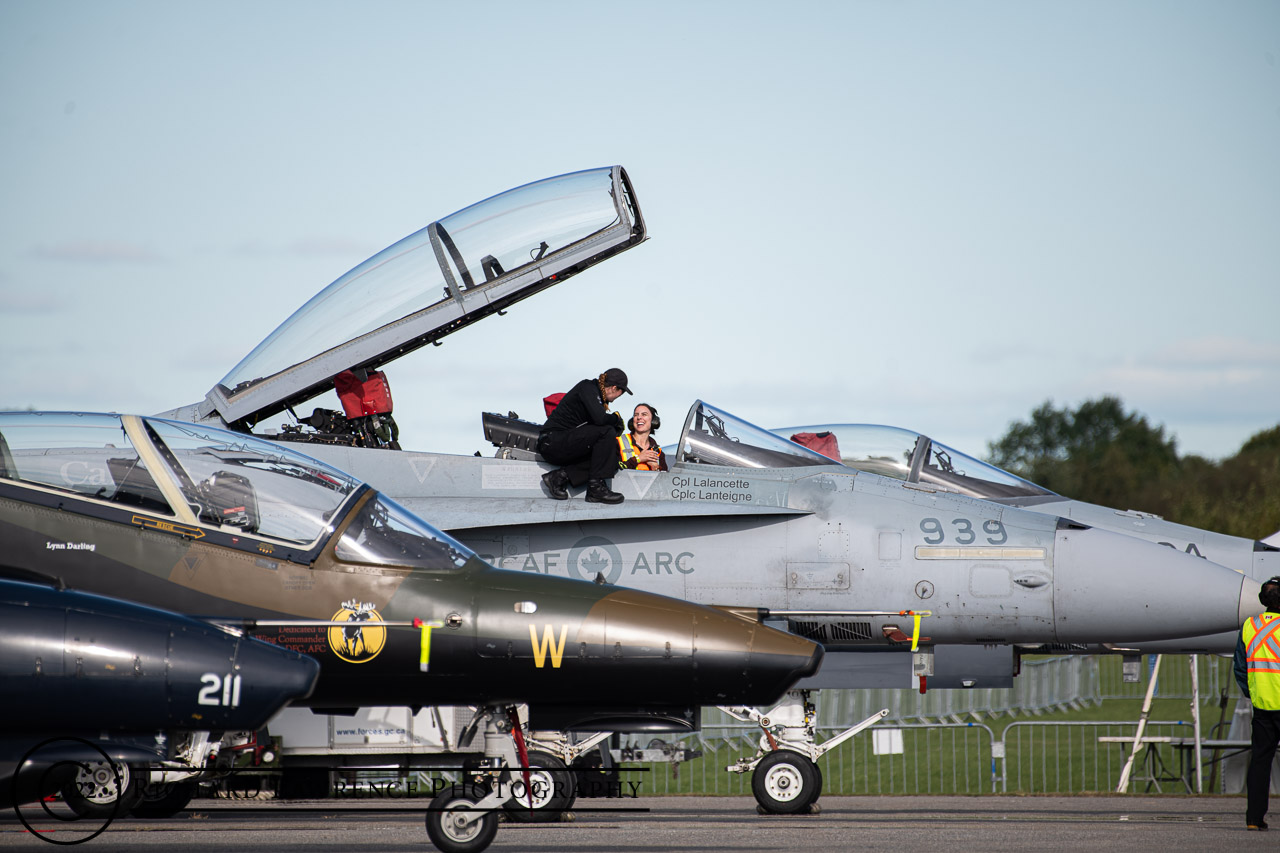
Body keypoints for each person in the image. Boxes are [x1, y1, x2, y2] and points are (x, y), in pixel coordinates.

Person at [538, 368, 631, 504]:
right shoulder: (588, 388)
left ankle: (559, 477)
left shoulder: (597, 397)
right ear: (614, 388)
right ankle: (596, 489)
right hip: (552, 442)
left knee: (610, 458)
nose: (617, 398)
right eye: (620, 394)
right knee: (606, 432)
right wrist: (615, 420)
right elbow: (600, 419)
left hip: (565, 443)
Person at [1235, 575, 1280, 831]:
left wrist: (1252, 693)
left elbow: (1240, 667)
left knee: (1260, 762)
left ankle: (1254, 818)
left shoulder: (1250, 626)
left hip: (1262, 705)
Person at [617, 403, 668, 472]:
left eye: (644, 414)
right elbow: (611, 469)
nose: (639, 417)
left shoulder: (658, 452)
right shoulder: (618, 442)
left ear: (653, 421)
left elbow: (665, 479)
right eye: (636, 415)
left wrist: (655, 467)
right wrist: (638, 459)